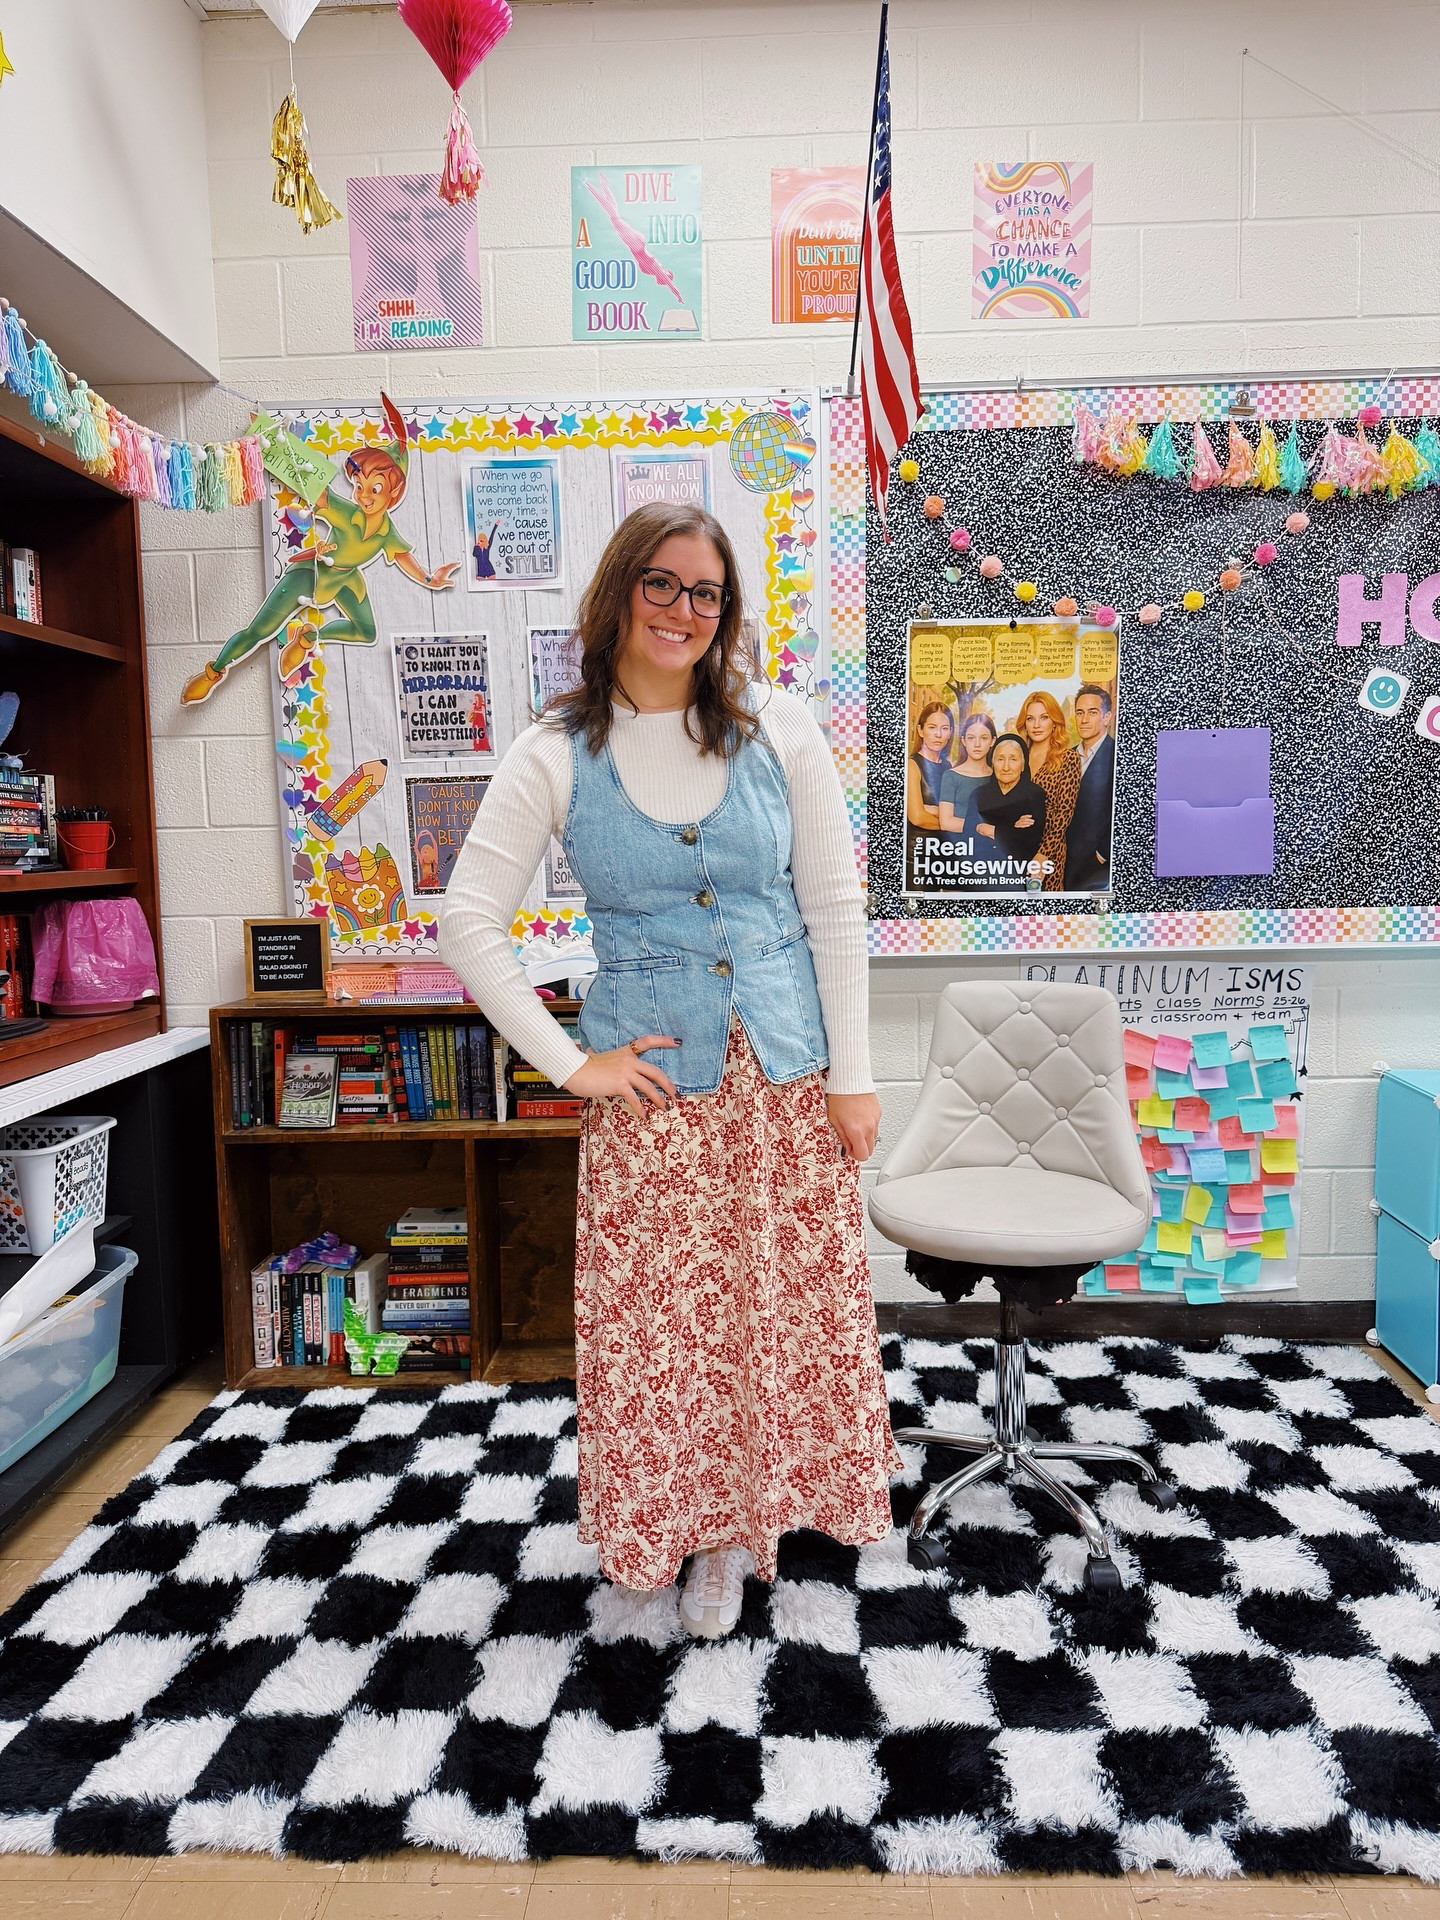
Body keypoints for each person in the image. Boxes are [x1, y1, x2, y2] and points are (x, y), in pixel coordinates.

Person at [440, 501, 898, 1640]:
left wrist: (856, 1074)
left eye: (706, 592)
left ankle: (741, 1534)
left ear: (725, 610)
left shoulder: (779, 727)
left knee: (768, 1314)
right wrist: (566, 1064)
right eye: (661, 583)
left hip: (784, 1070)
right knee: (660, 1327)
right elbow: (467, 920)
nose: (683, 610)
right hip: (655, 1087)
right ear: (618, 593)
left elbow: (835, 907)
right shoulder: (556, 749)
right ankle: (664, 1520)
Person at [181, 394, 460, 705]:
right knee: (258, 632)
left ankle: (309, 637)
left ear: (394, 492)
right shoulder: (347, 512)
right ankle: (213, 672)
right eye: (359, 485)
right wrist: (271, 439)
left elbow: (404, 557)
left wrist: (429, 577)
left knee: (365, 630)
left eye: (375, 488)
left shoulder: (386, 532)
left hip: (344, 579)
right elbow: (314, 486)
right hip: (308, 576)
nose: (364, 496)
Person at [963, 732, 1047, 891]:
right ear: (992, 763)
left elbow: (1029, 841)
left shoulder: (1035, 794)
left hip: (1019, 880)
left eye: (1013, 759)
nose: (1006, 766)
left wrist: (993, 830)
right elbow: (968, 836)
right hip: (981, 877)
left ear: (1023, 765)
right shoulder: (978, 794)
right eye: (1000, 759)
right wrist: (1012, 828)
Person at [1019, 689, 1080, 893]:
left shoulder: (1069, 759)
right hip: (1013, 847)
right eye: (1030, 718)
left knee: (1046, 919)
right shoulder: (1016, 757)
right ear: (1024, 724)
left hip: (1049, 853)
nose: (1036, 725)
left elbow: (1064, 813)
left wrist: (1042, 856)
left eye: (1043, 718)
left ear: (1054, 722)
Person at [1064, 684, 1117, 892]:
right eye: (1080, 712)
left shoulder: (1116, 756)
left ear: (1107, 717)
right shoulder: (1066, 757)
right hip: (1063, 863)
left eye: (1092, 712)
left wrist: (1103, 853)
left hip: (1096, 867)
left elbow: (1126, 811)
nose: (1084, 719)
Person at [938, 710, 997, 832]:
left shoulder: (998, 776)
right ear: (964, 741)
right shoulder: (951, 776)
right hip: (961, 846)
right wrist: (982, 828)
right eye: (971, 738)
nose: (977, 744)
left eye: (984, 738)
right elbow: (946, 822)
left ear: (993, 741)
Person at [905, 702, 954, 829]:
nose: (938, 734)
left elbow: (960, 811)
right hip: (919, 845)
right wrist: (951, 823)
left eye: (944, 728)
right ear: (920, 730)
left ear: (950, 733)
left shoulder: (949, 767)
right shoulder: (912, 765)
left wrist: (934, 810)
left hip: (947, 846)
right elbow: (917, 818)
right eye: (932, 727)